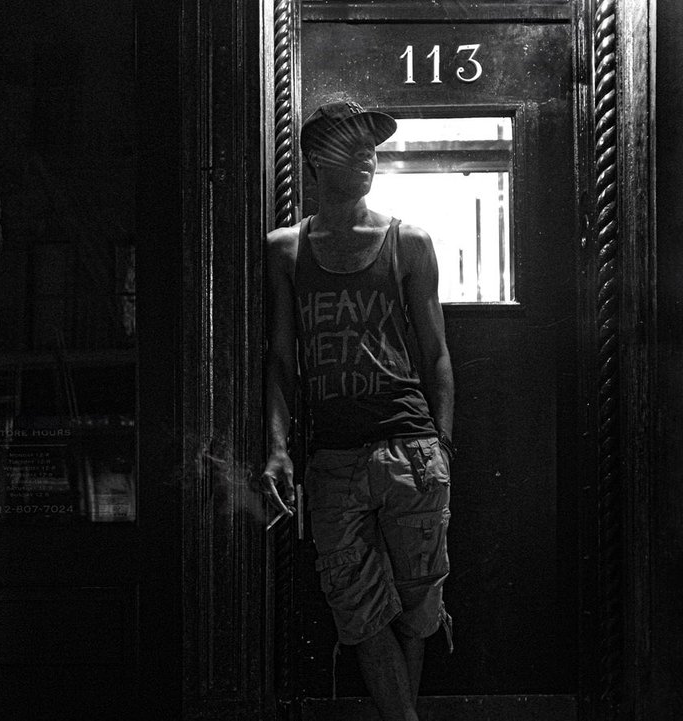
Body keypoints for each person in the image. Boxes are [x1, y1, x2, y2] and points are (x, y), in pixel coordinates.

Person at [261, 99, 455, 721]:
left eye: (373, 144)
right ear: (317, 158)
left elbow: (437, 357)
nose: (368, 155)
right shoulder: (287, 250)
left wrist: (441, 446)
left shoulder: (409, 241)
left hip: (409, 450)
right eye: (352, 144)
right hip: (335, 460)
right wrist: (277, 448)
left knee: (417, 606)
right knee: (357, 609)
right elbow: (282, 361)